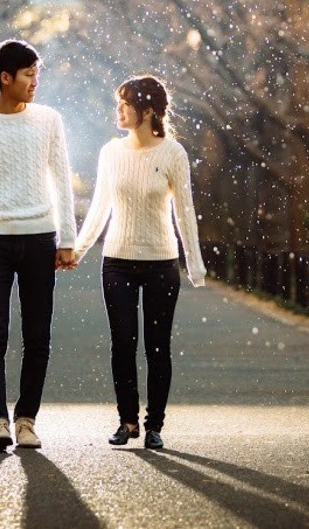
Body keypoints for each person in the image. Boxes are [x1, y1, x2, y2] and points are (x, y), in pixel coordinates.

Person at [0, 39, 78, 452]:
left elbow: (62, 178)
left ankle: (26, 419)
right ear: (5, 79)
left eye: (37, 74)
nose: (35, 82)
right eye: (28, 75)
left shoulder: (48, 120)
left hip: (41, 237)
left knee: (38, 335)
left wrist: (68, 238)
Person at [75, 75, 206, 450]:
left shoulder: (173, 154)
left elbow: (185, 212)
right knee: (122, 341)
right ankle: (127, 420)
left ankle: (154, 426)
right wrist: (77, 251)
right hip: (117, 259)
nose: (118, 110)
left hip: (161, 262)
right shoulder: (110, 153)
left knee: (157, 346)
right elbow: (100, 207)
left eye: (125, 104)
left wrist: (193, 263)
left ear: (148, 110)